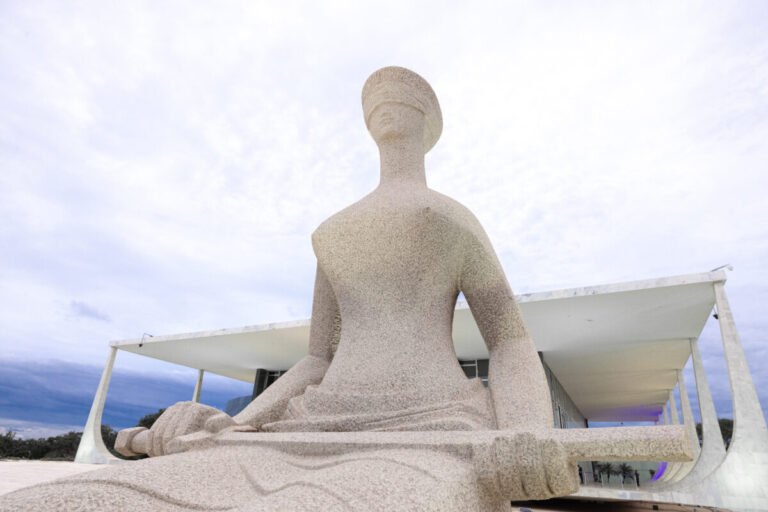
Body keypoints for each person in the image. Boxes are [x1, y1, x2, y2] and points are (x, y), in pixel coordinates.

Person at [0, 66, 576, 511]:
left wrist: (526, 431)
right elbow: (318, 357)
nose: (389, 100)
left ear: (431, 125)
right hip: (304, 425)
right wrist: (236, 423)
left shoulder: (451, 218)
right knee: (75, 499)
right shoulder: (333, 232)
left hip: (433, 426)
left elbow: (508, 339)